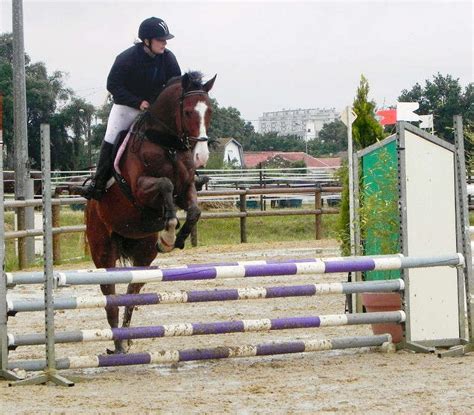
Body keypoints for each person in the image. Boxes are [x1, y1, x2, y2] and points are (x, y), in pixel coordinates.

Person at [80, 17, 181, 200]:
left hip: (154, 112)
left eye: (165, 39)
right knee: (111, 139)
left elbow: (176, 85)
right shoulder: (127, 58)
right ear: (146, 40)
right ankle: (98, 184)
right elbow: (113, 85)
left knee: (177, 134)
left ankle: (187, 177)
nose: (164, 43)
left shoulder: (168, 58)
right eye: (160, 39)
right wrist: (138, 102)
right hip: (127, 108)